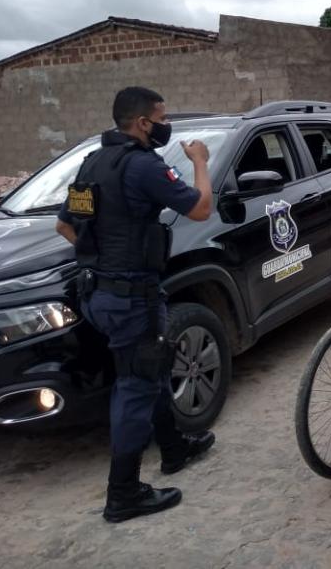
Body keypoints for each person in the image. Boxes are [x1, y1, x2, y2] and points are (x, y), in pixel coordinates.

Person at [56, 86, 216, 523]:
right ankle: (123, 493)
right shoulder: (143, 165)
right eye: (162, 118)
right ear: (143, 122)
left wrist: (106, 261)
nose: (166, 126)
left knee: (149, 364)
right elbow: (201, 209)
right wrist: (201, 160)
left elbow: (65, 227)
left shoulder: (93, 162)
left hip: (98, 292)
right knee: (136, 384)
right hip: (132, 298)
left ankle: (174, 447)